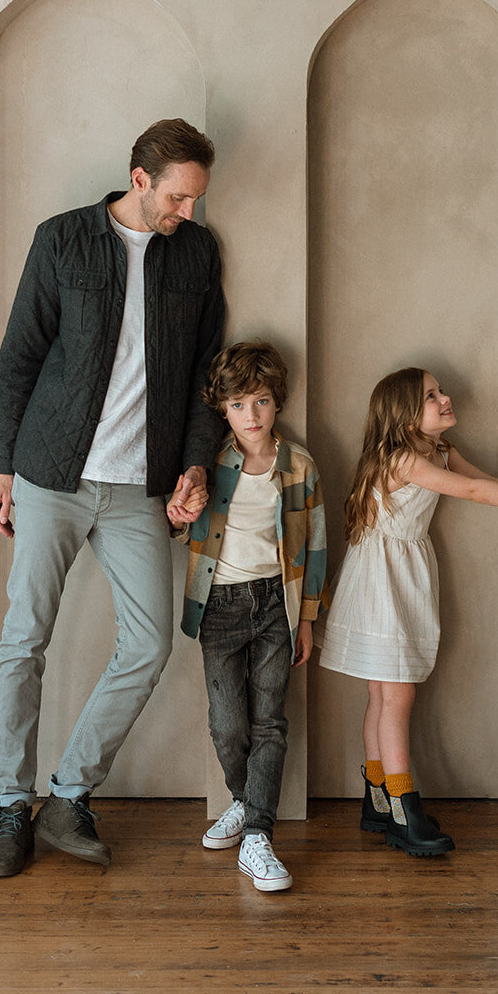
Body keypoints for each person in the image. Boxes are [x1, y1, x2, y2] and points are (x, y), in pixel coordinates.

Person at [0, 118, 224, 878]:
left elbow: (204, 374)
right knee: (24, 640)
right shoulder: (62, 240)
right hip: (51, 472)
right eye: (178, 198)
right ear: (140, 179)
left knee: (150, 641)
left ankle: (68, 795)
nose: (187, 213)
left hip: (136, 487)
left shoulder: (197, 253)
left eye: (196, 200)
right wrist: (3, 465)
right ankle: (10, 809)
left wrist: (194, 467)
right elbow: (20, 354)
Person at [319, 369, 498, 856]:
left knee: (383, 695)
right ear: (404, 416)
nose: (445, 398)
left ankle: (377, 800)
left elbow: (481, 481)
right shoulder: (403, 459)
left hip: (398, 573)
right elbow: (468, 492)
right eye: (431, 396)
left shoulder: (440, 451)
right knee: (396, 696)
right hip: (380, 580)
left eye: (440, 391)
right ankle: (403, 808)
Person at [178, 342, 327, 894]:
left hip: (275, 606)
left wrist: (305, 619)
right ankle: (244, 800)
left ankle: (259, 834)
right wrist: (178, 512)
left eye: (261, 401)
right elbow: (181, 525)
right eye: (239, 404)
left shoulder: (300, 466)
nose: (251, 416)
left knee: (270, 720)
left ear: (277, 403)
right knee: (227, 723)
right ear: (223, 409)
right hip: (219, 605)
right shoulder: (209, 466)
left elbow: (314, 550)